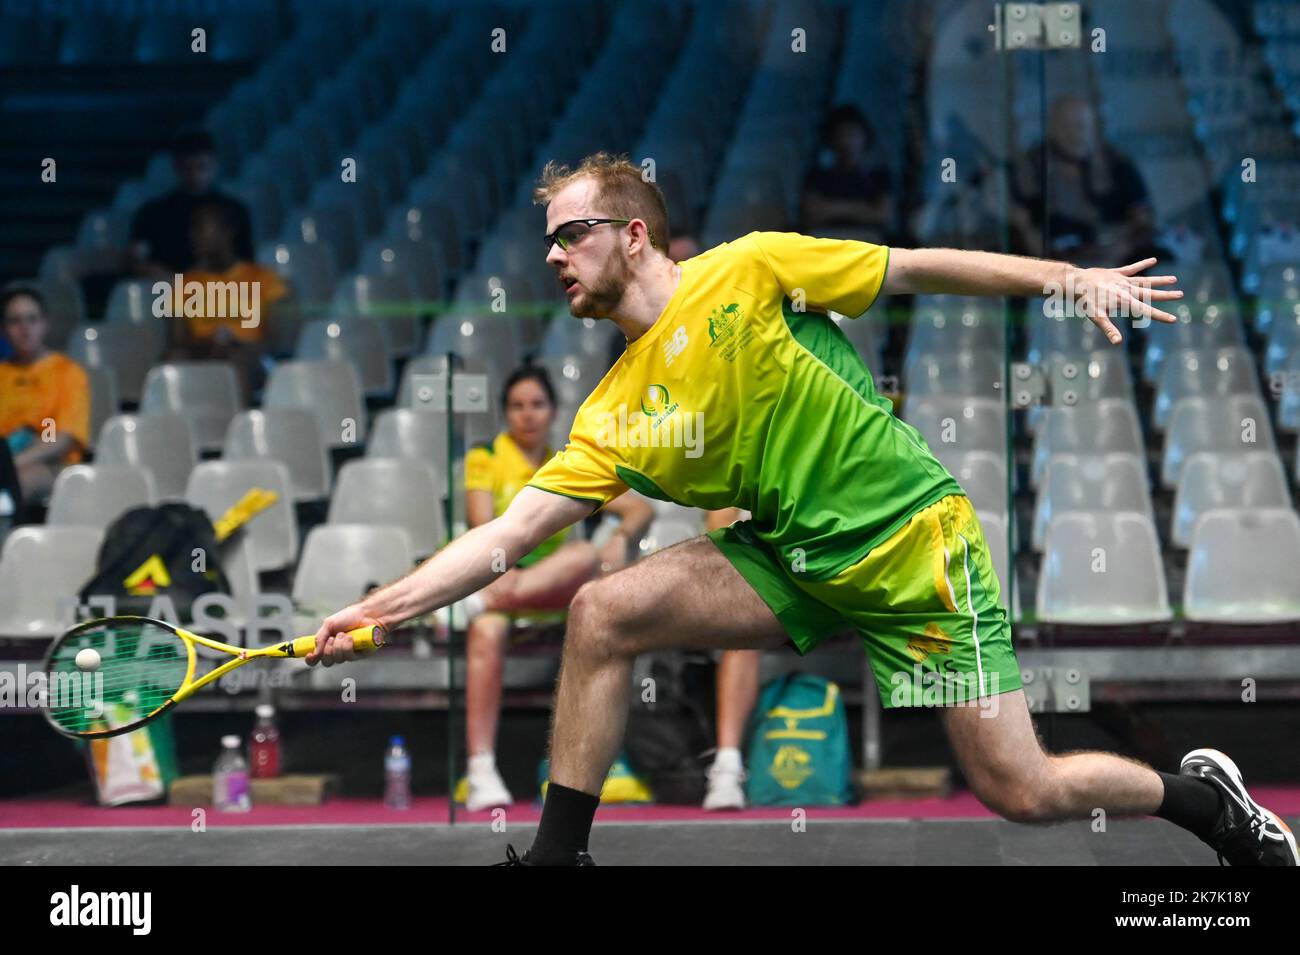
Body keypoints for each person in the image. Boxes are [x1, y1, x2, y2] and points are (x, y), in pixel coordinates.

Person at [308, 152, 1295, 868]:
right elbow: (506, 538)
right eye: (548, 242)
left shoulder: (749, 268)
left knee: (1021, 789)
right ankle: (559, 859)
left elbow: (911, 267)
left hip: (913, 547)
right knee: (599, 611)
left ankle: (1203, 804)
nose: (555, 256)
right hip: (788, 558)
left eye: (572, 233)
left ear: (632, 233)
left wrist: (1067, 279)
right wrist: (377, 612)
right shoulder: (613, 409)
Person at [457, 365, 652, 811]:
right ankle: (481, 767)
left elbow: (638, 509)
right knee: (486, 630)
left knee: (585, 557)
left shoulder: (565, 463)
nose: (527, 415)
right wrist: (501, 577)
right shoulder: (484, 456)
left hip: (549, 590)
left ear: (553, 411)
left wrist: (620, 539)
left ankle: (478, 601)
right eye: (517, 406)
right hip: (501, 573)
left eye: (537, 405)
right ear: (505, 413)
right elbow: (485, 531)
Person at [1009, 95, 1167, 266]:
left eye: (1080, 126)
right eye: (1065, 126)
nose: (1073, 134)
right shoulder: (1031, 166)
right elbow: (1020, 223)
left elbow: (1143, 220)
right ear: (1052, 127)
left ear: (1093, 127)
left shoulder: (1117, 163)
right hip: (1052, 261)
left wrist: (1121, 250)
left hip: (1114, 258)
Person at [167, 201, 288, 398]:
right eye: (192, 229)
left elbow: (274, 339)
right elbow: (177, 339)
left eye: (201, 228)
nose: (193, 237)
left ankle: (241, 424)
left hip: (251, 359)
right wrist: (209, 345)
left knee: (234, 361)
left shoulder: (264, 278)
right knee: (173, 360)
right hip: (202, 356)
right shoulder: (185, 282)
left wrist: (237, 344)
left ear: (227, 231)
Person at [0, 286, 90, 501]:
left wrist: (13, 462)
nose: (24, 328)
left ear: (45, 323)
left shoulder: (68, 372)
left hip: (52, 464)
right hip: (5, 460)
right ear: (3, 329)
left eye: (32, 319)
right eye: (15, 321)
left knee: (22, 479)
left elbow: (64, 438)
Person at [129, 126, 253, 278]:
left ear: (215, 164)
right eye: (187, 168)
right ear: (176, 166)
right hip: (167, 294)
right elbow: (135, 261)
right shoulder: (151, 213)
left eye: (202, 167)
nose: (195, 175)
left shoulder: (235, 212)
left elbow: (246, 265)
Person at [800, 104, 894, 242]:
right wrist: (862, 208)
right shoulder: (817, 176)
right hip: (825, 240)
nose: (846, 142)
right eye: (840, 134)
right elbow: (811, 214)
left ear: (865, 137)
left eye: (852, 134)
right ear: (830, 139)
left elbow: (882, 215)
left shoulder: (879, 176)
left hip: (868, 241)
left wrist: (831, 207)